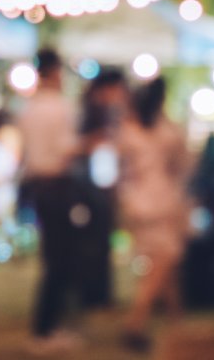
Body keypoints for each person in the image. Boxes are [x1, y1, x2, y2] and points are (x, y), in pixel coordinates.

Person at [116, 78, 192, 351]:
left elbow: (120, 170)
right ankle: (135, 323)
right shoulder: (168, 131)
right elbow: (183, 165)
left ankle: (177, 325)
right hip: (161, 202)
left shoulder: (128, 130)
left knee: (163, 266)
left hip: (136, 202)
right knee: (164, 262)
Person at [17, 49, 83, 353]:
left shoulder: (28, 108)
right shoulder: (60, 107)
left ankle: (49, 325)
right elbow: (66, 148)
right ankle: (46, 328)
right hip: (57, 184)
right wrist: (90, 144)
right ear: (56, 72)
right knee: (60, 259)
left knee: (52, 256)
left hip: (37, 185)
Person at [74, 69, 128, 310]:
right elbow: (78, 144)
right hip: (89, 182)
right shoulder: (88, 110)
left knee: (101, 239)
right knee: (94, 240)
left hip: (100, 179)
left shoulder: (106, 111)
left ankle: (99, 293)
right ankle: (93, 294)